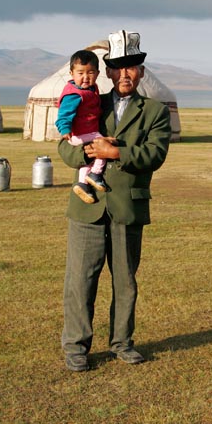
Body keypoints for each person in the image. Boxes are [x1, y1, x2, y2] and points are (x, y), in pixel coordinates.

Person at [57, 30, 171, 372]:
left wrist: (116, 152)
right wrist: (87, 151)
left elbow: (156, 153)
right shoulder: (87, 97)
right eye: (118, 67)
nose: (125, 74)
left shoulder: (155, 111)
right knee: (80, 279)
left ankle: (122, 342)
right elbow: (64, 144)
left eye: (132, 67)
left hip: (127, 206)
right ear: (106, 71)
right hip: (87, 206)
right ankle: (76, 346)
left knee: (125, 281)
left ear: (141, 71)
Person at [55, 49, 110, 204]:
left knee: (88, 160)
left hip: (84, 133)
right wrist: (64, 129)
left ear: (98, 74)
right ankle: (96, 174)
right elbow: (64, 114)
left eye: (90, 73)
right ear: (71, 73)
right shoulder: (74, 94)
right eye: (80, 73)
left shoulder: (91, 90)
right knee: (102, 144)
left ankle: (83, 184)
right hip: (79, 134)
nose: (86, 77)